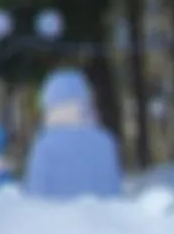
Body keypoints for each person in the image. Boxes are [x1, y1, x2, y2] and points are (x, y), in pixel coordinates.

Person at [23, 67, 123, 200]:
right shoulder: (105, 142)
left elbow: (36, 193)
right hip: (99, 213)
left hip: (53, 213)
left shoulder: (45, 145)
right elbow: (113, 190)